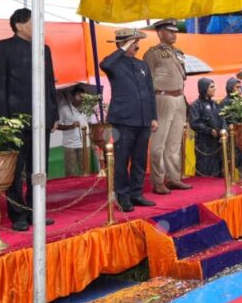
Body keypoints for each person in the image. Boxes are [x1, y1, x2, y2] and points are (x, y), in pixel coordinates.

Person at [0, 8, 59, 231]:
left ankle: (37, 211)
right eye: (34, 22)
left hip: (42, 121)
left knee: (39, 169)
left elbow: (50, 85)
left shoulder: (44, 50)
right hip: (14, 122)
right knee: (16, 170)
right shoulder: (1, 48)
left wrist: (53, 114)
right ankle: (18, 214)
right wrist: (3, 122)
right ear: (19, 25)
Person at [100, 28, 158, 212]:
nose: (137, 46)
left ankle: (136, 193)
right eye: (133, 43)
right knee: (121, 160)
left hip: (143, 120)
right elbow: (105, 64)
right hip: (123, 120)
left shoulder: (142, 66)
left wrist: (153, 117)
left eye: (136, 43)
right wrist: (123, 48)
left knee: (140, 159)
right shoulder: (115, 64)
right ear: (123, 44)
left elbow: (150, 93)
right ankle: (122, 196)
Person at [143, 18, 192, 195]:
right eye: (170, 31)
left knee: (174, 143)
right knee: (159, 144)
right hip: (162, 97)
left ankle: (173, 178)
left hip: (179, 97)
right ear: (160, 32)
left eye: (175, 31)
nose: (174, 34)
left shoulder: (178, 52)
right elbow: (146, 82)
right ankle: (158, 180)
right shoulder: (152, 53)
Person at [189, 78, 226, 177]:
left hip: (217, 143)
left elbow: (223, 119)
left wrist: (224, 129)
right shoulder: (195, 105)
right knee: (204, 170)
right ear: (204, 88)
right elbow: (194, 123)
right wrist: (209, 131)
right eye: (212, 87)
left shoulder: (215, 104)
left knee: (218, 171)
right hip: (204, 144)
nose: (215, 89)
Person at [57, 86, 92, 176]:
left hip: (85, 144)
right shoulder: (64, 109)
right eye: (78, 95)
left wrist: (92, 139)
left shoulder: (87, 108)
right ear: (73, 96)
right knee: (70, 172)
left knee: (85, 171)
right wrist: (70, 126)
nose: (81, 98)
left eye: (83, 96)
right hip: (70, 144)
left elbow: (90, 123)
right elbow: (57, 125)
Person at [220, 77, 242, 172]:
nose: (240, 90)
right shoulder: (225, 102)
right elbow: (223, 120)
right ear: (231, 88)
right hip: (231, 137)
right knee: (231, 161)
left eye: (240, 87)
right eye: (237, 87)